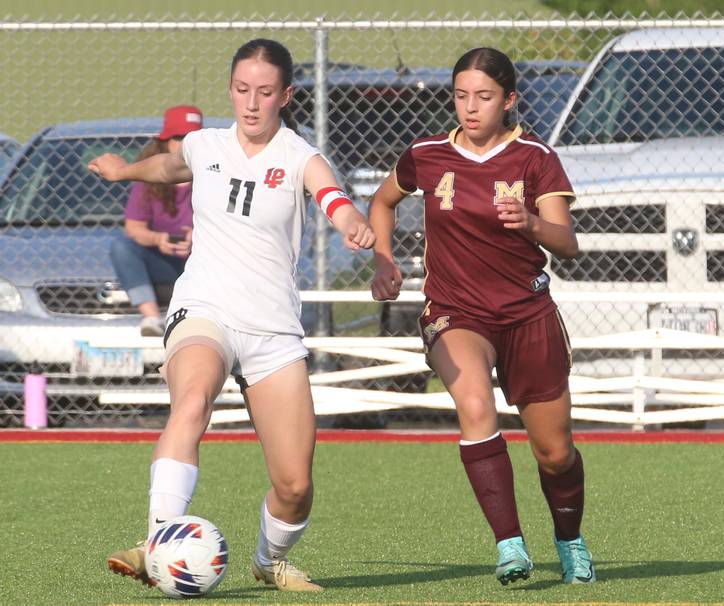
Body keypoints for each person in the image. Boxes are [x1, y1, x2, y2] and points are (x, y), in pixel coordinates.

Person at [88, 38, 375, 592]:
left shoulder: (300, 156)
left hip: (271, 328)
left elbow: (331, 195)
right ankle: (158, 543)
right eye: (242, 89)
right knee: (192, 399)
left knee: (294, 486)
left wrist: (349, 222)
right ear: (231, 90)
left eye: (265, 92)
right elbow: (170, 166)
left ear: (286, 96)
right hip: (205, 308)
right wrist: (126, 170)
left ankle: (269, 561)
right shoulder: (205, 144)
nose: (251, 103)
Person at [369, 47, 595, 586]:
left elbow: (569, 243)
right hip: (456, 311)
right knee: (474, 405)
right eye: (461, 96)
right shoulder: (425, 155)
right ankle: (510, 545)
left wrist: (532, 226)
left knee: (555, 451)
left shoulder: (535, 158)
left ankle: (570, 541)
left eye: (485, 97)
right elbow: (382, 202)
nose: (471, 108)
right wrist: (383, 258)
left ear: (509, 100)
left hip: (527, 314)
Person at [110, 105, 203, 337]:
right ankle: (151, 317)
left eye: (192, 137)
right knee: (122, 248)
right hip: (164, 261)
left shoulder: (214, 176)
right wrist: (159, 239)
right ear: (165, 142)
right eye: (178, 137)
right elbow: (134, 227)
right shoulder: (149, 180)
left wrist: (200, 237)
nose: (184, 144)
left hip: (201, 261)